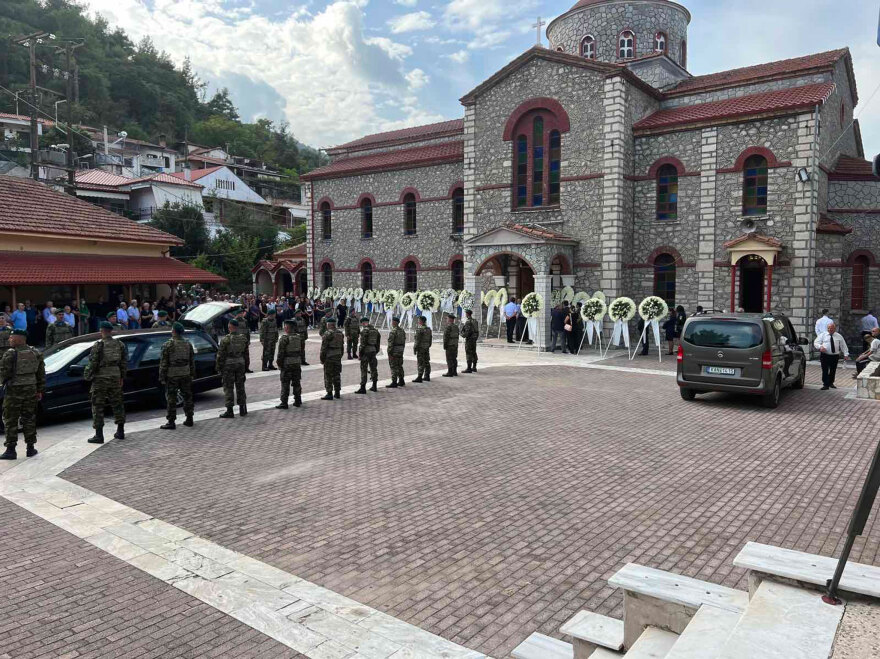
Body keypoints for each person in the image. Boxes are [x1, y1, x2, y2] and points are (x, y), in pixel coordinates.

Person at [0, 329, 45, 460]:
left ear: (19, 339)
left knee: (10, 419)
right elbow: (41, 374)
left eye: (11, 338)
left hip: (14, 390)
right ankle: (30, 448)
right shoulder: (35, 352)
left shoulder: (10, 354)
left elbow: (4, 374)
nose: (9, 340)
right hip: (31, 389)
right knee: (29, 418)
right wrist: (39, 390)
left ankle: (10, 450)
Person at [84, 321, 127, 444]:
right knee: (117, 404)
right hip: (115, 376)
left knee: (98, 406)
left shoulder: (99, 345)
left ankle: (99, 435)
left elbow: (93, 363)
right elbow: (124, 363)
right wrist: (121, 377)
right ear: (111, 331)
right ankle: (120, 431)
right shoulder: (120, 344)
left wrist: (87, 375)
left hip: (101, 378)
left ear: (101, 331)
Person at [158, 323, 195, 430]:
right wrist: (192, 373)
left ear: (173, 331)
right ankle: (189, 418)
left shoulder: (168, 345)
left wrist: (162, 377)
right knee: (187, 396)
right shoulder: (188, 344)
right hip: (185, 373)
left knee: (171, 398)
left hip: (172, 375)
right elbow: (192, 361)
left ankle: (171, 421)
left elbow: (164, 363)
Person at [217, 318, 249, 418]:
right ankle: (242, 409)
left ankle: (230, 411)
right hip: (240, 363)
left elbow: (220, 356)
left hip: (229, 365)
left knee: (228, 387)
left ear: (230, 327)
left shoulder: (225, 340)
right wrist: (246, 366)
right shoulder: (243, 338)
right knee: (240, 386)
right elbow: (246, 354)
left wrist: (219, 368)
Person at [276, 319, 303, 409]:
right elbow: (301, 350)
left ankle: (284, 402)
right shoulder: (299, 337)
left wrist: (279, 364)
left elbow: (281, 353)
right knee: (296, 382)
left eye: (285, 326)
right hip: (296, 363)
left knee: (285, 384)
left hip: (287, 364)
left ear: (287, 328)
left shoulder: (284, 338)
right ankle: (298, 400)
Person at [814, 321, 849, 390]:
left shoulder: (839, 336)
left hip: (835, 356)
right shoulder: (823, 335)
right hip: (825, 355)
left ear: (834, 329)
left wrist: (846, 354)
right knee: (825, 370)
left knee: (833, 370)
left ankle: (831, 383)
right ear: (827, 328)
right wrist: (820, 347)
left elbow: (843, 345)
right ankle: (825, 384)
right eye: (829, 328)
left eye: (831, 328)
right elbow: (816, 342)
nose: (830, 330)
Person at [320, 317, 344, 400]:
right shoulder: (340, 333)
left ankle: (329, 393)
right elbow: (342, 347)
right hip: (337, 355)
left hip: (329, 356)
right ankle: (337, 392)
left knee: (328, 375)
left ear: (329, 325)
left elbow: (323, 348)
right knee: (337, 374)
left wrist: (322, 359)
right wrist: (340, 355)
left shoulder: (327, 334)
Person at [355, 317, 380, 394]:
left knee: (364, 369)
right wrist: (375, 351)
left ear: (363, 323)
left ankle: (363, 388)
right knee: (373, 368)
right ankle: (374, 386)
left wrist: (360, 354)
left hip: (366, 351)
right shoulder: (375, 331)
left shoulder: (364, 331)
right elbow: (378, 343)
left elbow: (362, 344)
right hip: (373, 350)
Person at [386, 316, 407, 388]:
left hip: (394, 350)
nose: (392, 323)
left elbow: (390, 343)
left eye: (392, 321)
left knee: (393, 366)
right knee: (399, 365)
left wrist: (389, 352)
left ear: (394, 322)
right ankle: (401, 380)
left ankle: (394, 382)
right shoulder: (402, 330)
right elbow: (404, 341)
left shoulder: (393, 331)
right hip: (400, 350)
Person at [413, 315, 432, 383]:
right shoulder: (428, 329)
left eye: (419, 320)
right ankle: (427, 376)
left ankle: (419, 377)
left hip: (421, 348)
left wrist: (415, 348)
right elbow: (430, 339)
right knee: (427, 361)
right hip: (426, 347)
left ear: (421, 321)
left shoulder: (420, 329)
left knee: (420, 362)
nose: (418, 321)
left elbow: (417, 340)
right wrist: (428, 345)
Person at [461, 309, 480, 373]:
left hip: (469, 339)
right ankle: (474, 367)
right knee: (474, 352)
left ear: (467, 314)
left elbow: (467, 332)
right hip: (474, 339)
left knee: (468, 352)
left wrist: (462, 334)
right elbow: (477, 331)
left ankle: (469, 368)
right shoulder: (475, 321)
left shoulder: (468, 322)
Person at [443, 312, 460, 377]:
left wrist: (445, 345)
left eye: (447, 318)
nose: (447, 320)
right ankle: (454, 371)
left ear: (450, 319)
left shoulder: (448, 327)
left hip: (449, 345)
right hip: (455, 345)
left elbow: (446, 337)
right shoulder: (456, 327)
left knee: (449, 359)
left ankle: (450, 372)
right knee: (454, 358)